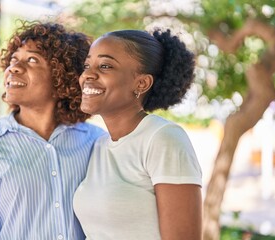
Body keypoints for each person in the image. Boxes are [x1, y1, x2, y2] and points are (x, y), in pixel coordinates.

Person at [0, 21, 105, 240]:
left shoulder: (98, 144)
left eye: (32, 60)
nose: (14, 68)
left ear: (63, 75)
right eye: (13, 60)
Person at [73, 28, 203, 240]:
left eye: (105, 66)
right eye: (87, 65)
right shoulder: (99, 145)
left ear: (141, 83)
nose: (87, 74)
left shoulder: (163, 138)